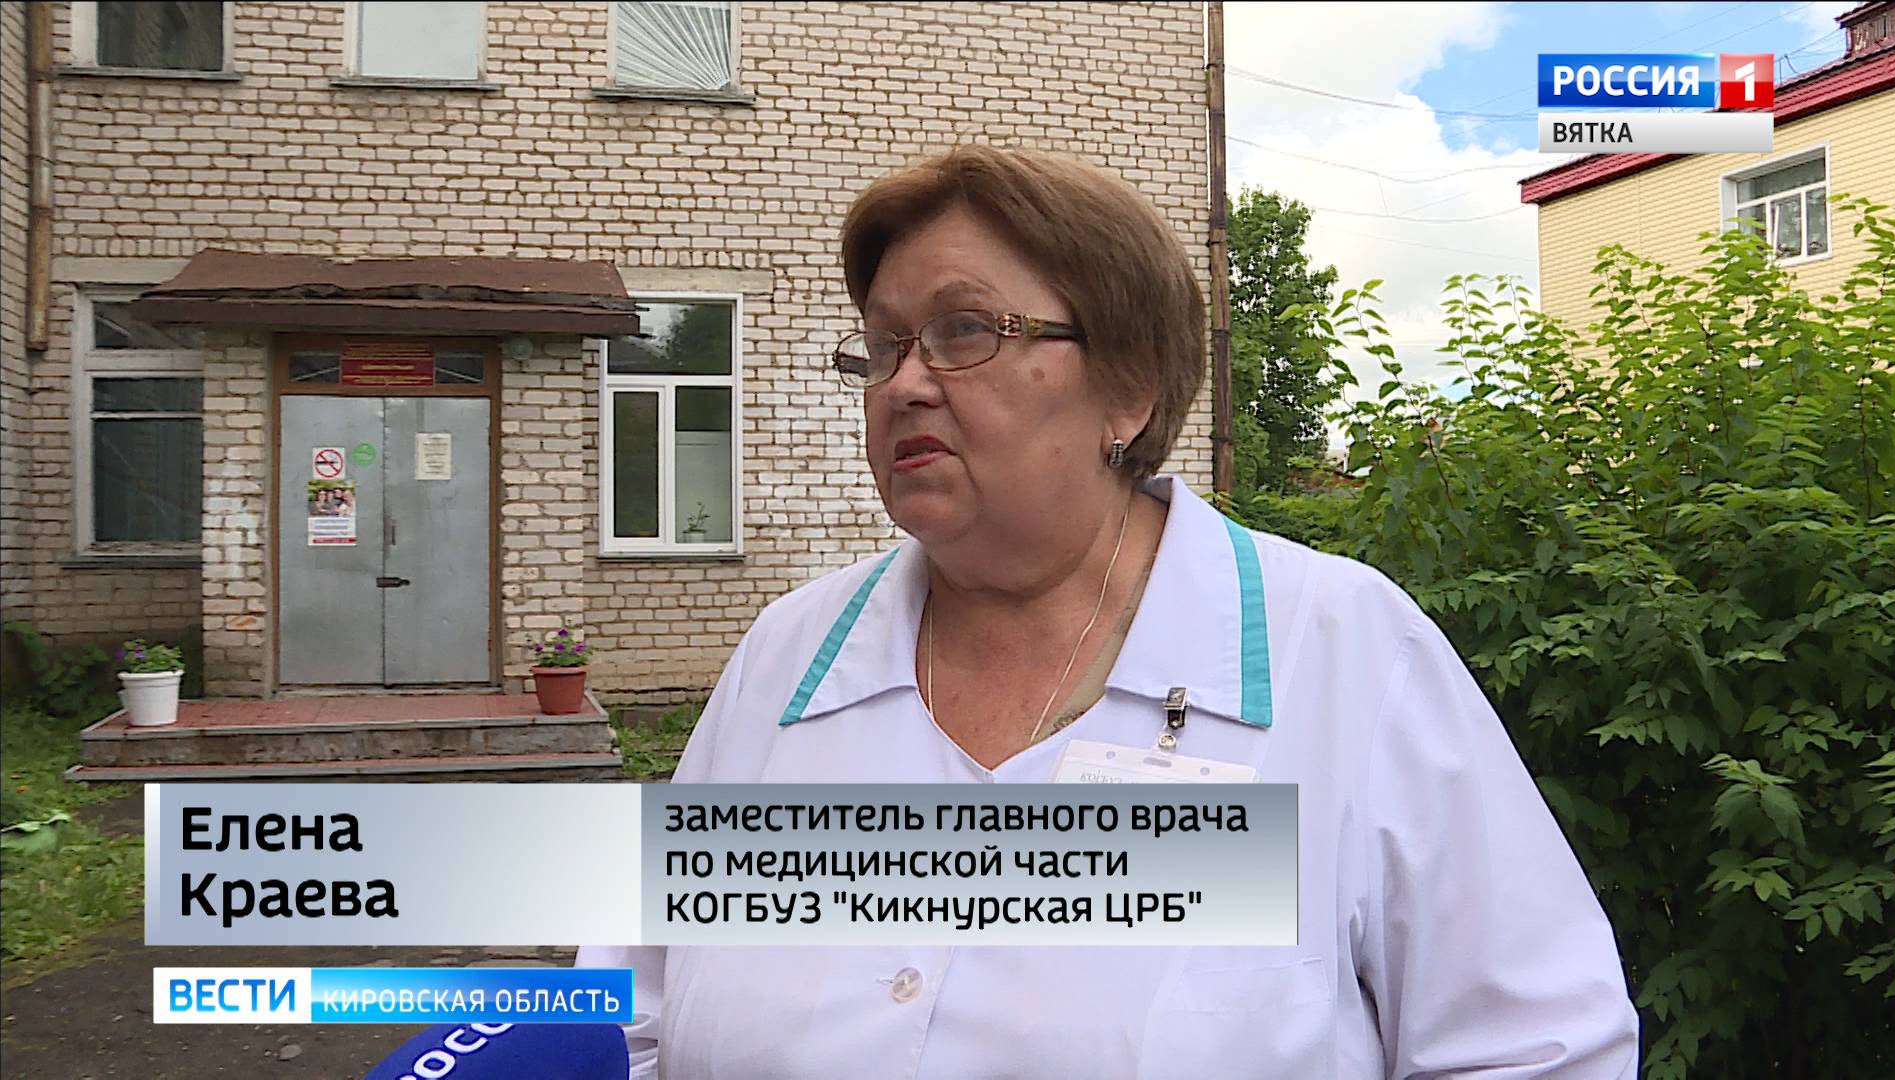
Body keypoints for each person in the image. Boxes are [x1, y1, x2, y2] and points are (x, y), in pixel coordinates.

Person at [578, 145, 1638, 1078]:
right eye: (884, 345)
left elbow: (1537, 1050)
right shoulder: (786, 655)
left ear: (1129, 389)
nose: (903, 385)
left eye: (962, 331)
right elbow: (628, 1019)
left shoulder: (1344, 649)